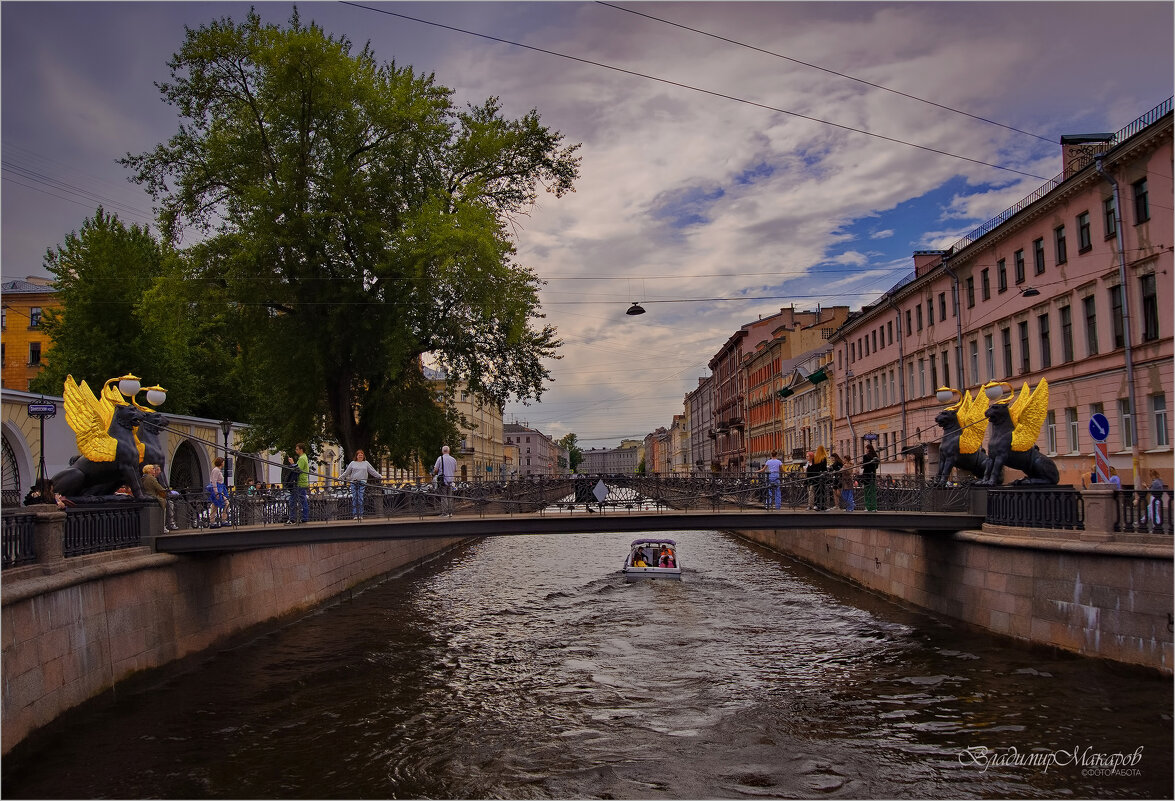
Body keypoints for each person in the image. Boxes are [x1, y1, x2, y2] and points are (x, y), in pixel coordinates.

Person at [340, 449, 382, 521]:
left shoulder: (366, 463)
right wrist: (341, 477)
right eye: (359, 455)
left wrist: (379, 476)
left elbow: (372, 471)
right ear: (356, 456)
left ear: (363, 456)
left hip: (362, 482)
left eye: (361, 455)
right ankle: (355, 514)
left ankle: (360, 514)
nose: (360, 456)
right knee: (354, 498)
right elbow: (347, 472)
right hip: (354, 482)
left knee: (360, 498)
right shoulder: (352, 463)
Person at [141, 464, 177, 533]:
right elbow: (159, 488)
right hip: (153, 496)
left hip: (146, 495)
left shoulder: (143, 477)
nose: (154, 470)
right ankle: (165, 526)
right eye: (152, 469)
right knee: (165, 504)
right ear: (149, 470)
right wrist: (165, 491)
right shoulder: (151, 478)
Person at [432, 445, 457, 517]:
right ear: (449, 451)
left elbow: (436, 469)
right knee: (450, 497)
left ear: (442, 451)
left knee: (443, 497)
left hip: (443, 481)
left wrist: (434, 473)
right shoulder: (453, 459)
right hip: (451, 481)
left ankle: (445, 513)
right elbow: (455, 470)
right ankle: (450, 512)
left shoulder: (440, 458)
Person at [207, 456, 228, 528]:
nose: (224, 463)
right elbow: (214, 481)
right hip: (217, 490)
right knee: (221, 503)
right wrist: (216, 492)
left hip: (219, 489)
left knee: (217, 504)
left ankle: (216, 521)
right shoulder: (216, 470)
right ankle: (219, 520)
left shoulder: (218, 470)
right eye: (223, 462)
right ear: (221, 463)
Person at [294, 443, 311, 524]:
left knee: (302, 500)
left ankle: (304, 517)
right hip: (304, 481)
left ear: (301, 450)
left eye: (297, 449)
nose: (296, 451)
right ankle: (304, 517)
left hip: (301, 482)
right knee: (303, 499)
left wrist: (292, 463)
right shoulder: (305, 457)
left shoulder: (301, 458)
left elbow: (298, 469)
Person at [281, 453, 300, 525]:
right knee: (295, 502)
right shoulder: (295, 466)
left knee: (292, 502)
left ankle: (293, 519)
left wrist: (292, 463)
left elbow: (297, 470)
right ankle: (296, 518)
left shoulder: (300, 462)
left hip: (295, 486)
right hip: (295, 486)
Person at [861, 444, 880, 512]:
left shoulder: (865, 456)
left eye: (866, 449)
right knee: (873, 492)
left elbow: (865, 465)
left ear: (868, 449)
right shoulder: (875, 456)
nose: (865, 450)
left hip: (866, 475)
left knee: (867, 491)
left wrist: (863, 466)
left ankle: (868, 507)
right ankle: (874, 507)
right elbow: (876, 467)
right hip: (873, 475)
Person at [812, 446, 829, 510]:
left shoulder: (815, 458)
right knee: (822, 491)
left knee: (816, 491)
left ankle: (816, 504)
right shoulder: (823, 458)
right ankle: (822, 505)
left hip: (815, 477)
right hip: (821, 477)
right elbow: (824, 468)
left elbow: (813, 468)